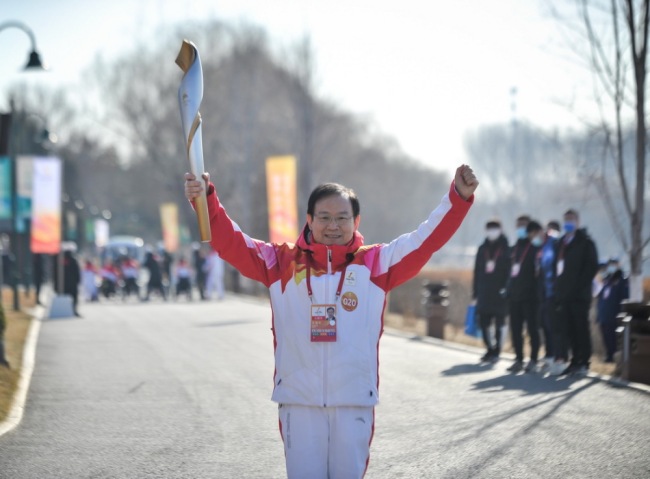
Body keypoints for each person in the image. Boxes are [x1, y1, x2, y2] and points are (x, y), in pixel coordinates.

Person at [184, 164, 478, 479]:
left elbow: (426, 239)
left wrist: (458, 198)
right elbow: (231, 241)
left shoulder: (376, 263)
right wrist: (206, 200)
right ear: (309, 220)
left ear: (356, 221)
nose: (333, 225)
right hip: (299, 401)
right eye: (324, 217)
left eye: (342, 218)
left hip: (353, 401)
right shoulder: (280, 262)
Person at [553, 209, 599, 376]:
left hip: (579, 296)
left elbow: (591, 267)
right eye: (566, 219)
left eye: (571, 219)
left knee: (581, 329)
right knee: (569, 329)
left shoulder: (586, 242)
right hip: (564, 296)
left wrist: (578, 287)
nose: (568, 222)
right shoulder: (561, 244)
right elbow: (556, 269)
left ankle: (584, 361)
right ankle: (574, 361)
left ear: (578, 221)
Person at [472, 219, 510, 363]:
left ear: (500, 230)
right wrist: (475, 292)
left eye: (494, 228)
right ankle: (489, 349)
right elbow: (477, 271)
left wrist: (506, 289)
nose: (491, 231)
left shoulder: (506, 248)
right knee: (483, 323)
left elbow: (509, 271)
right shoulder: (482, 248)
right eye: (489, 228)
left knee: (500, 323)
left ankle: (497, 351)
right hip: (484, 292)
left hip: (500, 293)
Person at [506, 218, 542, 373]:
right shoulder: (514, 248)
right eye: (518, 225)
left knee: (532, 329)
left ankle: (533, 359)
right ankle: (518, 359)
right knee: (516, 329)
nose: (520, 228)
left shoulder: (535, 248)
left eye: (523, 225)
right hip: (515, 296)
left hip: (530, 297)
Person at [537, 221, 560, 372]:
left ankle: (557, 357)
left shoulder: (554, 244)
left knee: (554, 327)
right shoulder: (541, 246)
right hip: (543, 292)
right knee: (544, 325)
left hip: (554, 292)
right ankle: (549, 355)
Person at [596, 258, 628, 363]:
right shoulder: (606, 281)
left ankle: (615, 356)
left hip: (614, 315)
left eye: (613, 265)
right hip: (604, 315)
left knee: (613, 338)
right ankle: (609, 355)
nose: (610, 268)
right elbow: (600, 298)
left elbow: (624, 296)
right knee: (606, 337)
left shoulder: (622, 281)